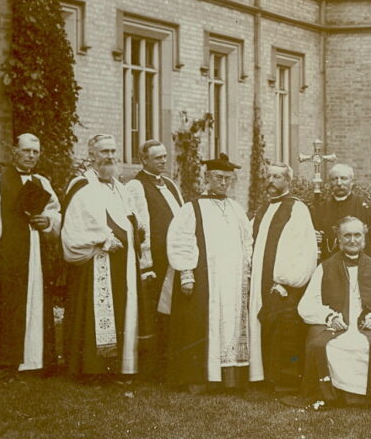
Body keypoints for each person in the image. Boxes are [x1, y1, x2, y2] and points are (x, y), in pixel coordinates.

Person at [0, 133, 61, 374]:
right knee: (9, 305)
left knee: (36, 300)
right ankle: (8, 360)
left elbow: (56, 213)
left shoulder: (42, 183)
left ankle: (37, 360)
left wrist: (48, 222)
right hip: (8, 254)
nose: (31, 155)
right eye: (26, 150)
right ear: (14, 152)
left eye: (35, 152)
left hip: (35, 254)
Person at [166, 153, 252, 392]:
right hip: (206, 279)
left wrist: (246, 269)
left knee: (231, 325)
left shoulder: (236, 209)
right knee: (202, 324)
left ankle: (229, 379)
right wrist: (186, 273)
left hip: (233, 280)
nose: (223, 183)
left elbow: (247, 241)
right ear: (207, 177)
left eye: (227, 179)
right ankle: (200, 379)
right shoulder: (192, 208)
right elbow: (181, 240)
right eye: (218, 178)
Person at [61, 134, 145, 377]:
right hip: (95, 264)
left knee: (122, 312)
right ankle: (92, 369)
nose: (110, 156)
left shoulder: (119, 188)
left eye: (112, 151)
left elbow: (131, 218)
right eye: (104, 151)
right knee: (93, 318)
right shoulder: (81, 186)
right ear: (91, 156)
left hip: (123, 264)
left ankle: (118, 367)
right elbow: (74, 227)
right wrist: (103, 239)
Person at [296, 216, 371, 408]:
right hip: (337, 325)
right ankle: (336, 395)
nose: (353, 240)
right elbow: (306, 304)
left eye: (357, 235)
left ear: (364, 238)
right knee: (326, 345)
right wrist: (329, 316)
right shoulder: (324, 268)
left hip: (366, 324)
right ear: (339, 239)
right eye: (347, 235)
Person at [248, 163, 318, 392]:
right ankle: (260, 376)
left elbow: (301, 248)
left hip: (283, 284)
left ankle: (281, 381)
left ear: (288, 181)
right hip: (259, 279)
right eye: (269, 176)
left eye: (277, 176)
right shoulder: (263, 209)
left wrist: (285, 281)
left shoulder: (296, 209)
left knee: (281, 328)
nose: (271, 180)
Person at [125, 139, 183, 379]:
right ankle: (152, 368)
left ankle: (170, 363)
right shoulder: (136, 186)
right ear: (144, 160)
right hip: (154, 262)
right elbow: (140, 226)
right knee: (152, 312)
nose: (163, 161)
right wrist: (145, 262)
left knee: (172, 310)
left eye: (165, 156)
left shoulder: (170, 184)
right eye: (157, 157)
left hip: (173, 259)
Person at [310, 163, 371, 272]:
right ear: (329, 183)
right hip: (330, 273)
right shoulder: (319, 210)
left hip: (363, 272)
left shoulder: (368, 209)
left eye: (343, 178)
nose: (339, 183)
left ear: (352, 182)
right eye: (334, 179)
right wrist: (312, 238)